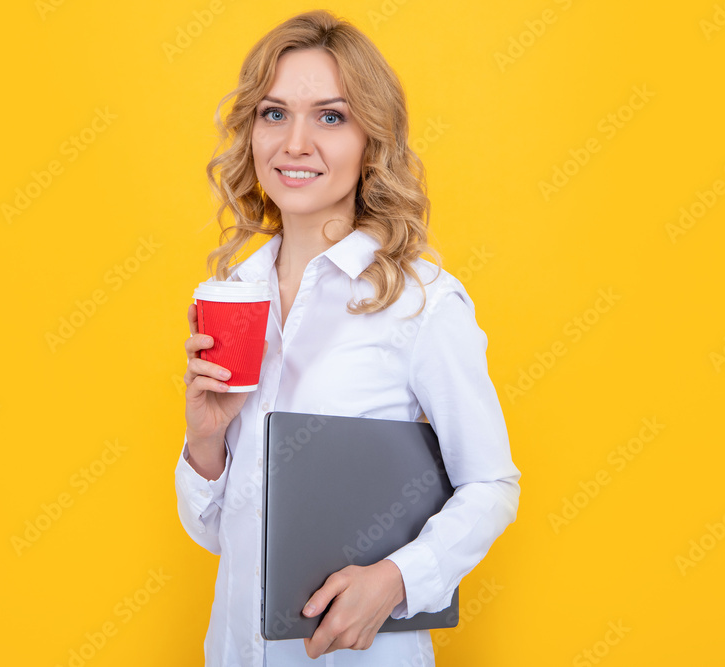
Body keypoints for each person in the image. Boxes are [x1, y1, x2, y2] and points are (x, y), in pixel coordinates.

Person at [176, 9, 520, 666]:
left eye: (330, 117)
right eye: (274, 113)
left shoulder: (418, 301)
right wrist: (204, 440)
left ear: (372, 139)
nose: (295, 143)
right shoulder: (232, 294)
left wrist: (396, 580)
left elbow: (492, 484)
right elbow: (219, 534)